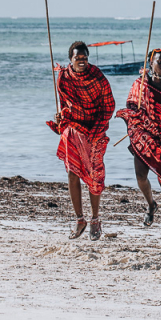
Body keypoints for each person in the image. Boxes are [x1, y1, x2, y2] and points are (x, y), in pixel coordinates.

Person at [46, 41, 115, 241]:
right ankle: (79, 219)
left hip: (95, 130)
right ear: (71, 60)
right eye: (78, 59)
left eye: (85, 58)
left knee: (95, 175)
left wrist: (96, 129)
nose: (82, 62)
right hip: (73, 128)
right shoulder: (64, 77)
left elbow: (109, 106)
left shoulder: (97, 77)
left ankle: (95, 219)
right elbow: (63, 102)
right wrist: (61, 116)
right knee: (72, 172)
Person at [116, 49, 161, 234]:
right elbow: (131, 106)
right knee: (140, 176)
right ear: (150, 63)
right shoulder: (140, 85)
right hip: (144, 136)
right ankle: (151, 205)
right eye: (159, 61)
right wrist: (139, 120)